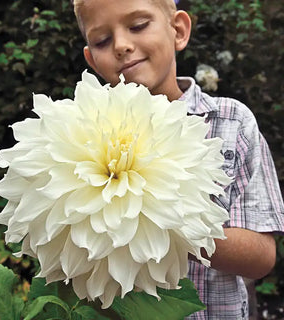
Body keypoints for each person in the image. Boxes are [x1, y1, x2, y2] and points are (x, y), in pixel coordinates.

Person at [72, 0, 284, 318]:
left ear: (178, 30)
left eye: (138, 26)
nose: (122, 45)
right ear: (91, 59)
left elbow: (262, 257)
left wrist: (167, 227)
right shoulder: (79, 133)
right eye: (102, 40)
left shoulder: (231, 122)